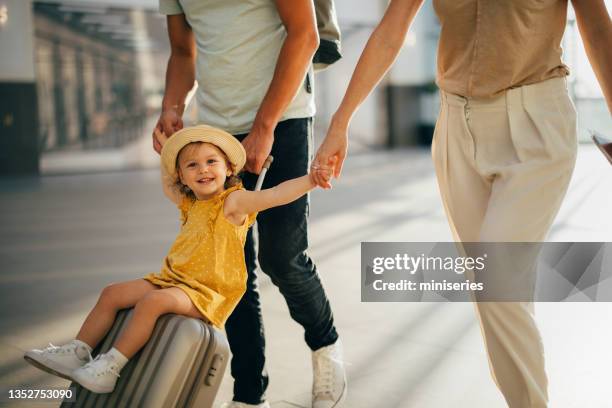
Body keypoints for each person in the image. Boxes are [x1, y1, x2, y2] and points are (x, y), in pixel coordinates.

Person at [312, 1, 612, 407]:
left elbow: (595, 27)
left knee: (497, 284)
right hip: (456, 126)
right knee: (493, 290)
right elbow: (391, 29)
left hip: (537, 125)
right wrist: (341, 121)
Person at [24, 125, 333, 395]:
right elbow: (166, 182)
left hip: (207, 291)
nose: (203, 170)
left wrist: (310, 181)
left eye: (212, 162)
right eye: (192, 165)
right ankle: (79, 351)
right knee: (113, 293)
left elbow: (275, 194)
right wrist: (165, 152)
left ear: (228, 169)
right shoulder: (189, 203)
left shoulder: (234, 202)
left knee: (153, 303)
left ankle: (110, 366)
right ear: (183, 176)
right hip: (173, 280)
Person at [153, 2, 346, 407]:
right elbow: (183, 50)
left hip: (283, 116)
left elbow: (305, 34)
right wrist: (172, 108)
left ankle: (325, 346)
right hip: (217, 127)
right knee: (229, 266)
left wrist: (264, 126)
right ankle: (249, 394)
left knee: (283, 256)